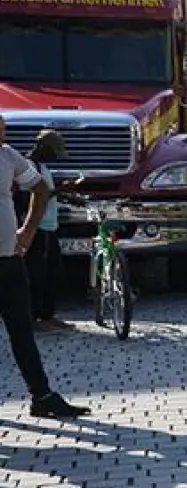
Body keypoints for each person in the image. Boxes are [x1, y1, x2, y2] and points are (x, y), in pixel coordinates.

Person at [0, 117, 90, 418]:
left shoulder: (8, 155)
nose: (3, 129)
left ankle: (42, 395)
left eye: (3, 125)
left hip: (9, 259)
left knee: (22, 329)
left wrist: (27, 231)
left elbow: (38, 189)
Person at [23, 131, 68, 332]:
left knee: (52, 271)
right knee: (35, 274)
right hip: (37, 227)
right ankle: (32, 318)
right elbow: (28, 198)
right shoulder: (28, 167)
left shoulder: (43, 168)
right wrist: (58, 191)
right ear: (42, 147)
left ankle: (47, 315)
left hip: (49, 226)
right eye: (53, 152)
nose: (55, 157)